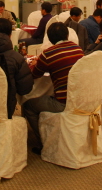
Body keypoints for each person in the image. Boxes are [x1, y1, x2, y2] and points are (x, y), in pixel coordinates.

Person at [23, 22, 84, 155]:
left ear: (50, 39)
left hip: (62, 103)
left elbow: (35, 75)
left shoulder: (48, 53)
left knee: (28, 106)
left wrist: (36, 63)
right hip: (80, 99)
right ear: (67, 35)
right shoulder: (78, 49)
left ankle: (44, 143)